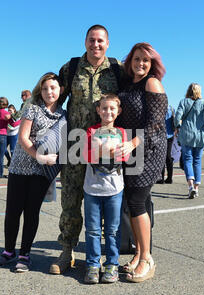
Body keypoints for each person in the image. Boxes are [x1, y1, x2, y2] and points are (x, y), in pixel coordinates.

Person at [49, 24, 124, 275]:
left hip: (106, 149)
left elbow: (127, 103)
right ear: (85, 42)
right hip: (75, 146)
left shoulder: (117, 70)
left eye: (100, 41)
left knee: (105, 203)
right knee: (70, 201)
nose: (96, 45)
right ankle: (67, 252)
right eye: (92, 40)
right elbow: (54, 102)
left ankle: (104, 259)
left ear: (108, 43)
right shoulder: (70, 68)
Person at [0, 72, 64, 272]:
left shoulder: (63, 115)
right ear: (41, 89)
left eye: (54, 88)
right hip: (20, 167)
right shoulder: (32, 108)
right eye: (46, 88)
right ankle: (8, 251)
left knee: (32, 213)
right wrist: (39, 156)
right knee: (13, 211)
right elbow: (23, 138)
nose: (50, 91)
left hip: (41, 172)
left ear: (61, 90)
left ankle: (25, 254)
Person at [115, 42, 168, 283]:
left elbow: (157, 124)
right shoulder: (128, 84)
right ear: (130, 61)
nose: (141, 64)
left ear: (152, 63)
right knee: (136, 201)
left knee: (136, 201)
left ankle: (147, 258)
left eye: (146, 60)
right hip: (129, 148)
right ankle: (137, 253)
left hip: (148, 150)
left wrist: (134, 143)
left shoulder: (152, 83)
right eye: (137, 59)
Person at [82, 94, 128, 284]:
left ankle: (112, 264)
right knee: (92, 230)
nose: (108, 111)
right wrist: (106, 149)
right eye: (104, 108)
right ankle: (93, 264)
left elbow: (122, 157)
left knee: (113, 230)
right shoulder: (91, 131)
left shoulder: (121, 132)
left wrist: (103, 147)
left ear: (118, 112)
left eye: (112, 108)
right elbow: (87, 156)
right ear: (98, 110)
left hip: (114, 189)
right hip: (92, 189)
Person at [174, 83, 204, 199]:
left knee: (187, 160)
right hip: (200, 135)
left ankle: (190, 185)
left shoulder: (183, 102)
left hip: (186, 135)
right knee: (197, 161)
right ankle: (196, 187)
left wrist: (177, 126)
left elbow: (177, 117)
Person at [157, 105, 175, 184]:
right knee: (168, 156)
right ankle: (170, 177)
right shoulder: (171, 108)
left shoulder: (158, 109)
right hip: (170, 134)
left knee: (161, 156)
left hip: (161, 135)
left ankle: (161, 178)